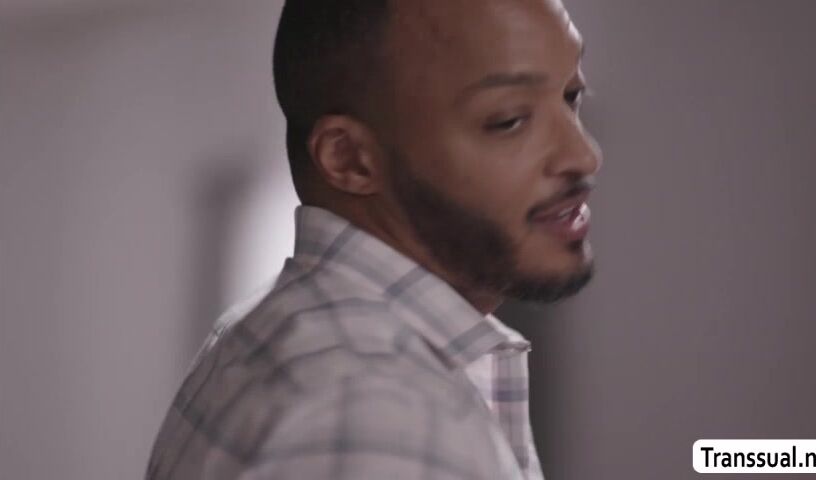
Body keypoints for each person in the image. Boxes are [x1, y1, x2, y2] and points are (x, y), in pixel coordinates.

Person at [146, 0, 602, 478]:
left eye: (571, 96)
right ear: (350, 159)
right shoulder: (379, 410)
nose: (584, 156)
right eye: (508, 119)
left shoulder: (266, 333)